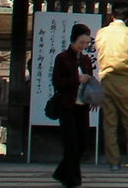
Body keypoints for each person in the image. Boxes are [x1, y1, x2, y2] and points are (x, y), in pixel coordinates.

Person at [95, 3, 128, 171]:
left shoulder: (101, 33)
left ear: (111, 15)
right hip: (124, 79)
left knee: (109, 122)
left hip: (105, 79)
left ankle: (114, 161)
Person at [52, 23, 96, 188]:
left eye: (86, 43)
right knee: (71, 142)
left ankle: (61, 172)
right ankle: (72, 179)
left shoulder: (85, 59)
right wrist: (76, 79)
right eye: (81, 43)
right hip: (67, 104)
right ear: (73, 40)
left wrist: (92, 97)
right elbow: (57, 82)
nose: (83, 46)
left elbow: (90, 80)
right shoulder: (62, 58)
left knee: (83, 141)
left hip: (82, 104)